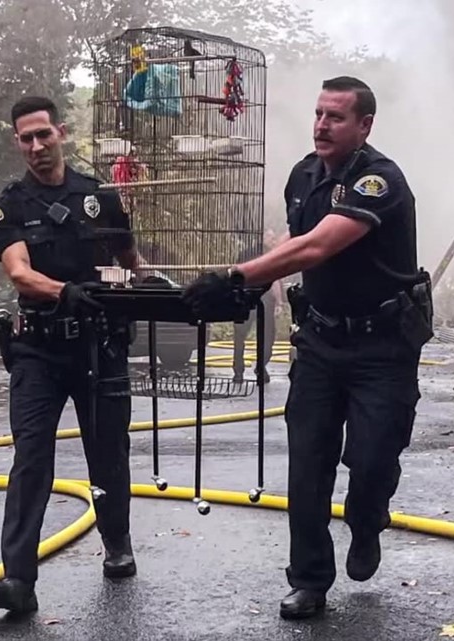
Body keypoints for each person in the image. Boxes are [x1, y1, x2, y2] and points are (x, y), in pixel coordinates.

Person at [181, 76, 430, 620]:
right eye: (318, 113)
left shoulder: (379, 181)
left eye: (336, 117)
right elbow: (294, 249)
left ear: (364, 125)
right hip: (319, 341)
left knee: (370, 461)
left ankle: (367, 523)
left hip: (381, 348)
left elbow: (318, 245)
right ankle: (310, 580)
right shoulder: (302, 176)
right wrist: (247, 293)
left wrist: (233, 276)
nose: (321, 124)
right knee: (308, 463)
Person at [0, 95, 142, 615]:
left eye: (43, 135)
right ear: (17, 142)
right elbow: (19, 272)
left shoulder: (99, 196)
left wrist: (154, 291)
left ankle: (116, 541)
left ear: (62, 133)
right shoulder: (10, 205)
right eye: (25, 138)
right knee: (31, 457)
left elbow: (131, 261)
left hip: (99, 346)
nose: (35, 146)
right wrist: (63, 291)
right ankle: (19, 581)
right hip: (38, 349)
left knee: (107, 450)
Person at [231, 229, 284, 384]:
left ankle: (239, 372)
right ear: (263, 238)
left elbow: (236, 275)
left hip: (245, 298)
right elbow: (275, 279)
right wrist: (279, 302)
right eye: (271, 237)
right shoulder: (271, 255)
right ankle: (260, 368)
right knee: (267, 336)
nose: (273, 241)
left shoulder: (245, 253)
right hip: (263, 300)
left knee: (240, 336)